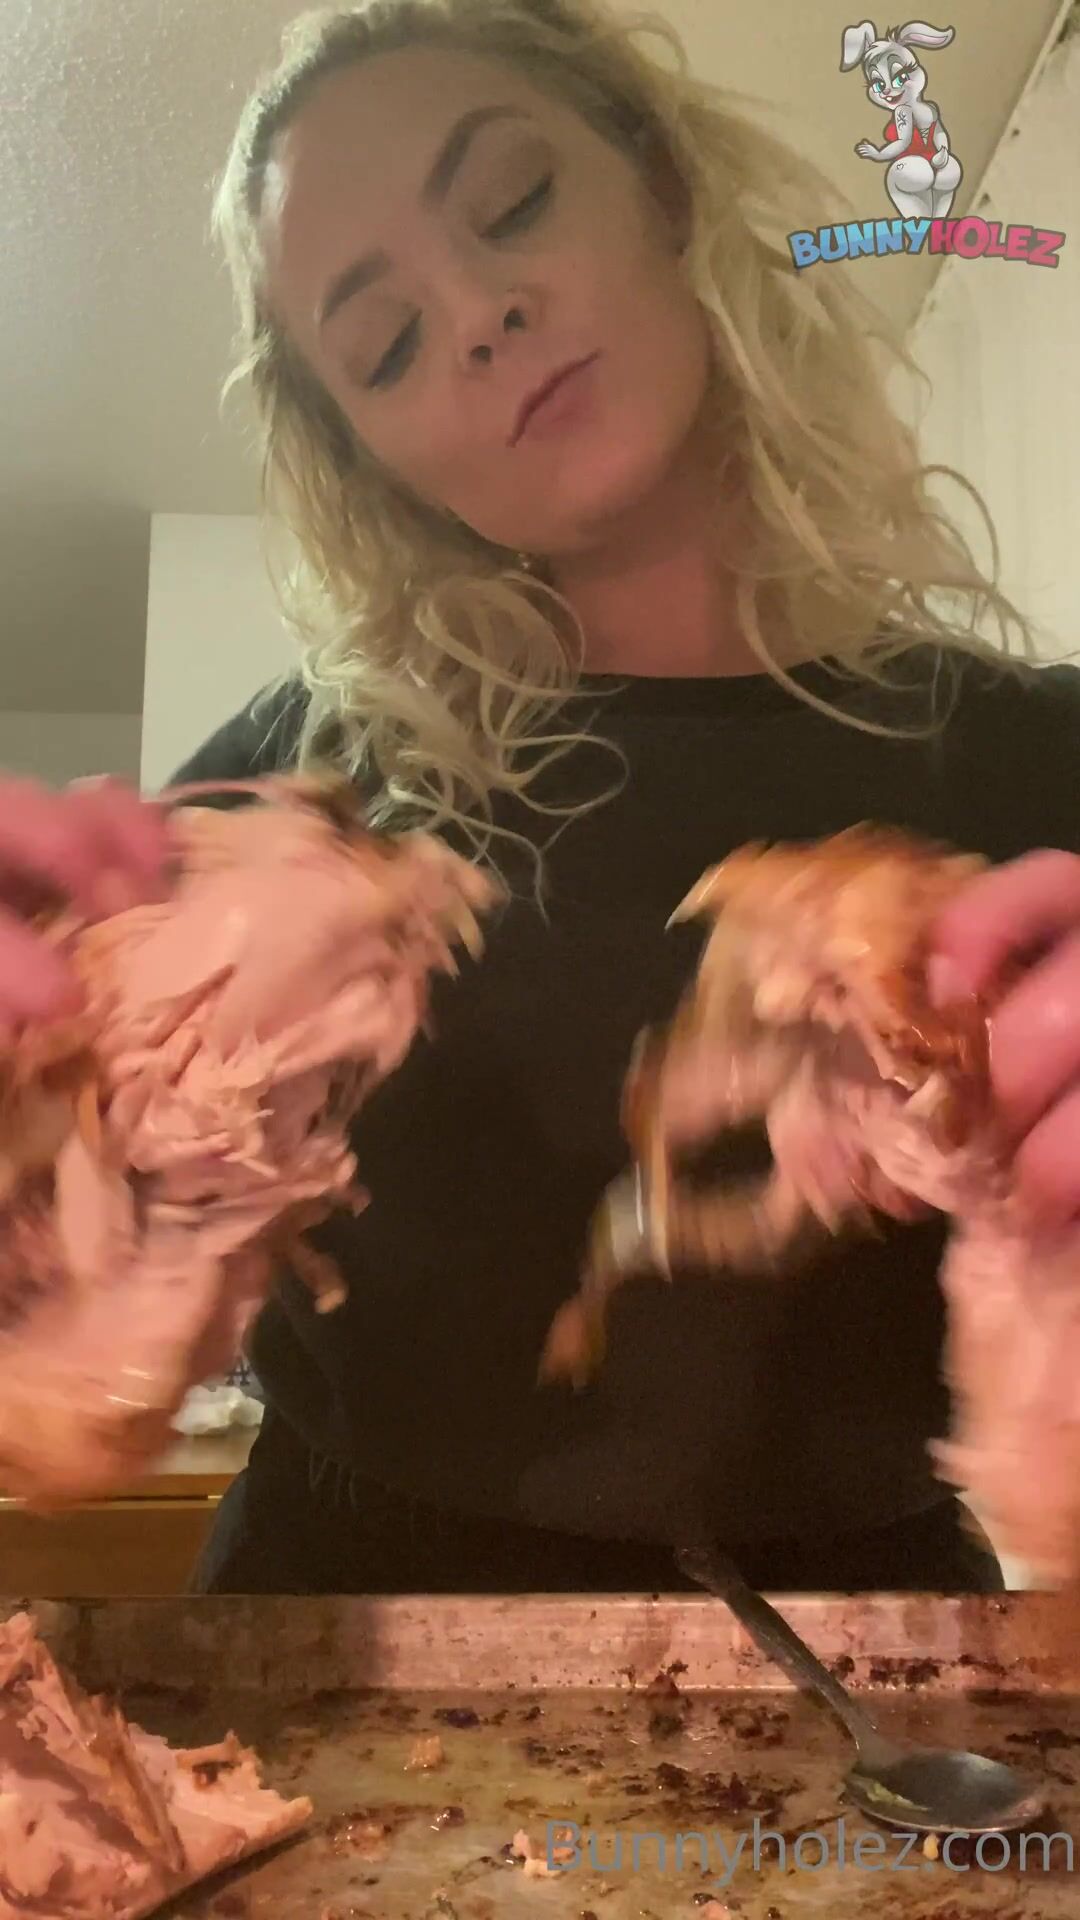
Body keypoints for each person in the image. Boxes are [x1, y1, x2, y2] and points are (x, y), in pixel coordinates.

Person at [3, 0, 1079, 1595]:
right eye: (385, 343)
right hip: (331, 1627)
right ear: (369, 454)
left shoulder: (1035, 761)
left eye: (509, 201)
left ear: (659, 186)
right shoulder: (277, 804)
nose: (480, 315)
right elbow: (68, 1351)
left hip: (883, 1656)